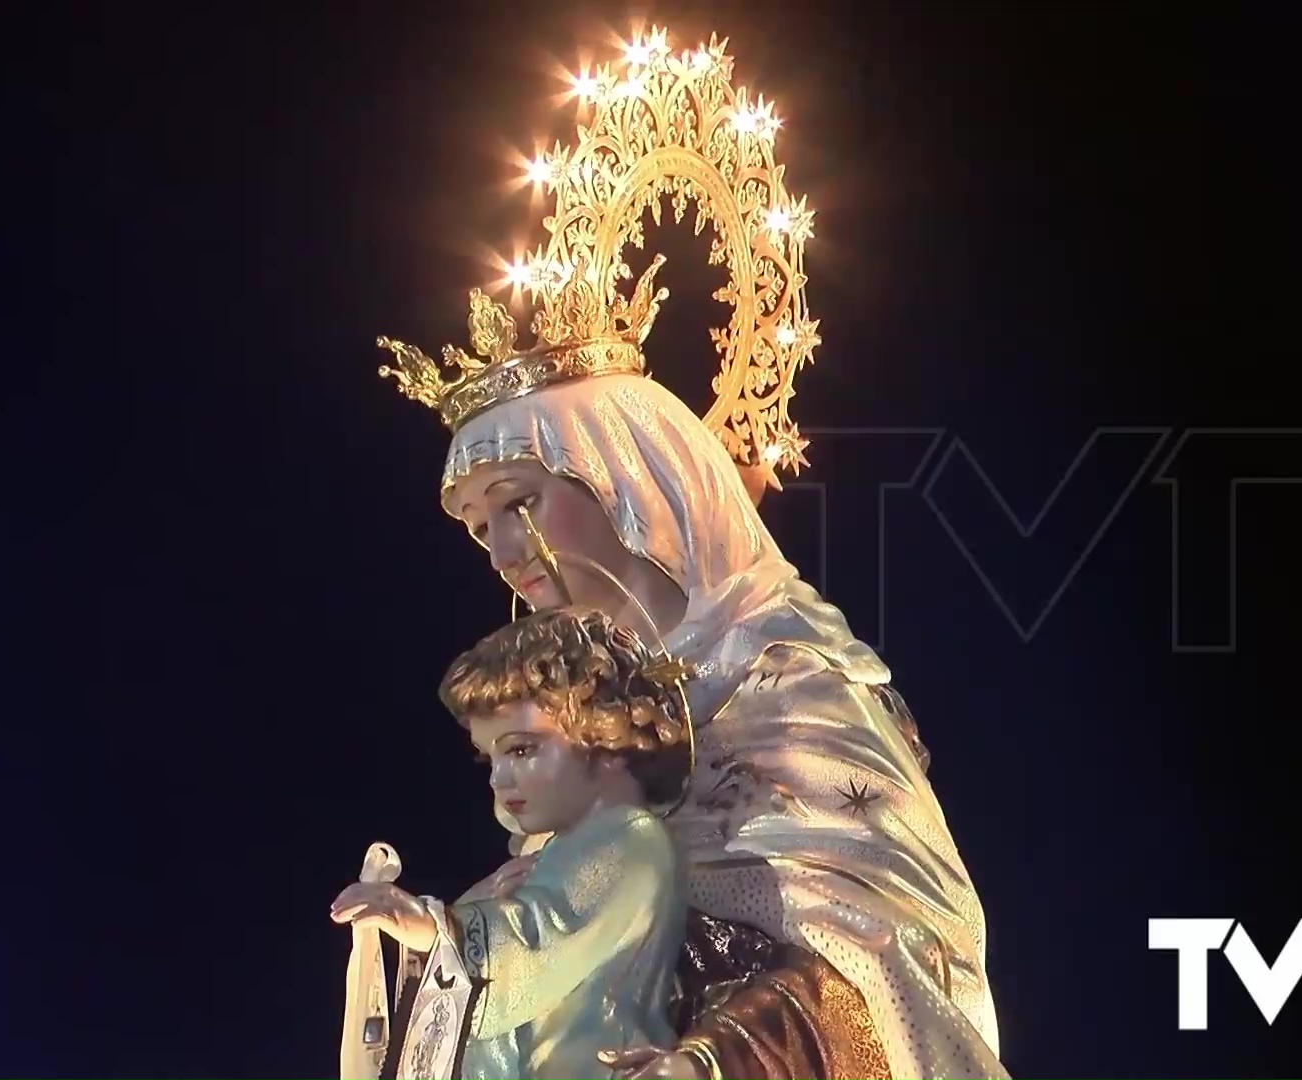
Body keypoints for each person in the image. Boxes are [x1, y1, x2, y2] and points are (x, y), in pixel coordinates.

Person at [374, 25, 1009, 1080]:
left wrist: (714, 1061)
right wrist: (442, 950)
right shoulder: (579, 728)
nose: (501, 550)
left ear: (636, 482)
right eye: (477, 525)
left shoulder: (789, 684)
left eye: (519, 501)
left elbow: (869, 958)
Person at [330, 607, 694, 1080]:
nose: (500, 778)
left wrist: (434, 926)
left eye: (522, 749)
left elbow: (537, 942)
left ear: (604, 738)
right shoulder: (554, 854)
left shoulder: (631, 839)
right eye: (491, 757)